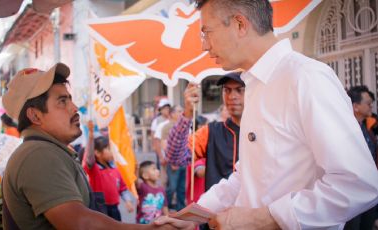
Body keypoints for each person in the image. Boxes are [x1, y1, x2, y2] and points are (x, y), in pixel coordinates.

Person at [156, 0, 378, 229]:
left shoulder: (305, 77)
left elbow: (358, 184)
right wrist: (195, 216)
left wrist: (265, 218)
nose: (204, 46)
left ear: (240, 24)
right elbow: (247, 177)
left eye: (207, 32)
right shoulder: (255, 84)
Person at [1, 63, 177, 229]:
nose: (74, 107)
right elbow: (80, 224)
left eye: (70, 99)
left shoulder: (48, 150)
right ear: (35, 116)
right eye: (62, 101)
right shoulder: (38, 155)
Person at [166, 71, 244, 192]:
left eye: (239, 90)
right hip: (216, 209)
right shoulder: (211, 131)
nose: (232, 96)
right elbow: (176, 158)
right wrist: (187, 113)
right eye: (227, 90)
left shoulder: (266, 130)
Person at [82, 126, 134, 221]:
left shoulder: (115, 169)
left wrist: (128, 201)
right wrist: (90, 138)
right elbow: (89, 159)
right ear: (97, 153)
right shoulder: (94, 169)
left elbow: (122, 188)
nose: (113, 151)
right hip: (100, 209)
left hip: (114, 209)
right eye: (109, 149)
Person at [346, 85, 378, 230]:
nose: (371, 106)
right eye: (368, 103)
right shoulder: (347, 129)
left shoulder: (366, 126)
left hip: (368, 192)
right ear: (356, 106)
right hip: (352, 193)